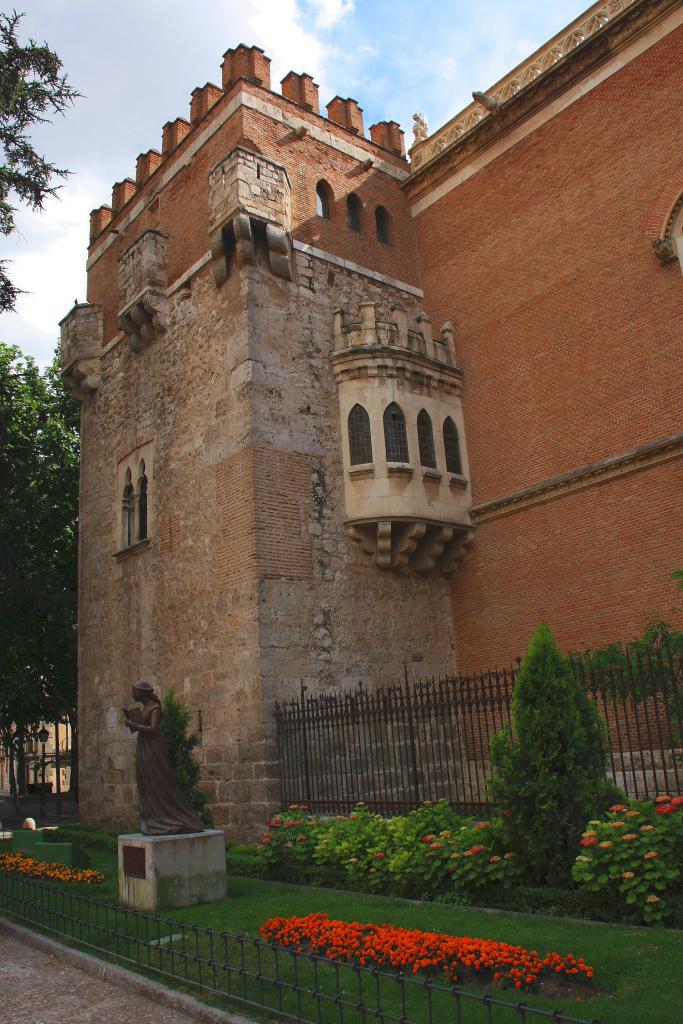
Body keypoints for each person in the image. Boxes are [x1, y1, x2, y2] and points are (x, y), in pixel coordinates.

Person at [123, 680, 204, 835]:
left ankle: (168, 817)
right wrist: (132, 720)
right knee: (146, 779)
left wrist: (134, 725)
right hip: (144, 746)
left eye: (135, 691)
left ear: (143, 692)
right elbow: (143, 727)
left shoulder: (155, 709)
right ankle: (153, 817)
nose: (133, 695)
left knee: (157, 779)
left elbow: (153, 728)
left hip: (153, 748)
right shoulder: (145, 709)